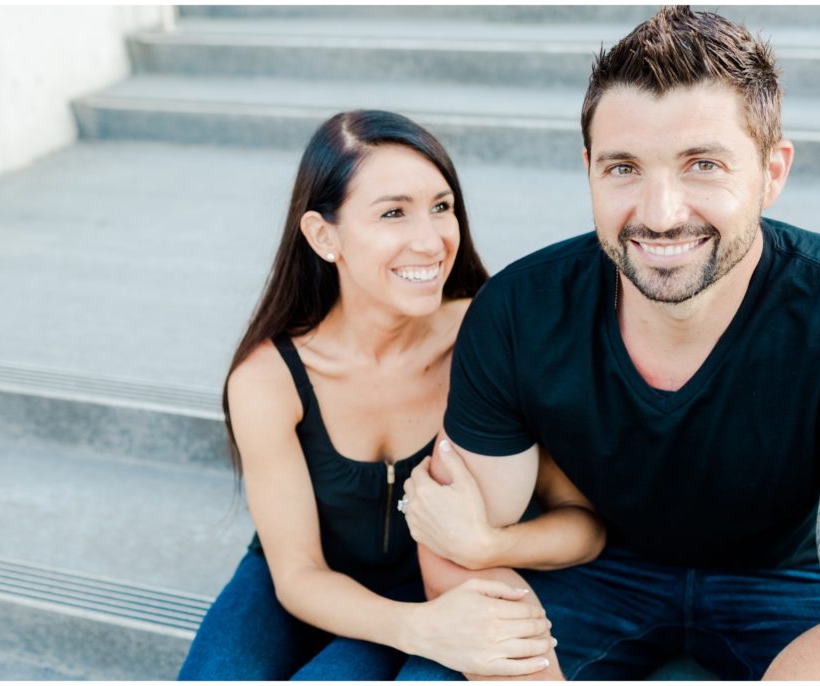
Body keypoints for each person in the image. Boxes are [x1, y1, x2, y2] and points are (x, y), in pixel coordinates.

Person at [406, 6, 820, 680]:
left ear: (772, 171)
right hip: (597, 574)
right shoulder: (518, 313)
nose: (661, 213)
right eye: (623, 168)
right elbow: (455, 543)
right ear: (588, 169)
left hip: (789, 583)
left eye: (702, 164)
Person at [177, 110, 604, 680]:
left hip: (445, 582)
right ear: (323, 236)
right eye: (393, 213)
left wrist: (484, 546)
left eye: (441, 206)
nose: (429, 240)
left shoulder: (490, 341)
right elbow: (298, 574)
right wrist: (416, 627)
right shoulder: (268, 379)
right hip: (308, 582)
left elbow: (585, 527)